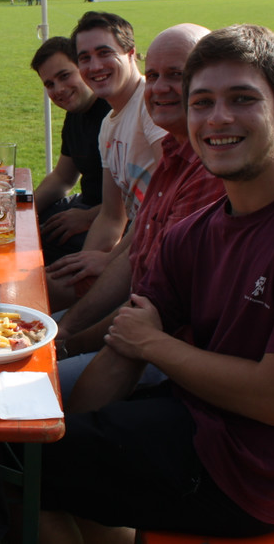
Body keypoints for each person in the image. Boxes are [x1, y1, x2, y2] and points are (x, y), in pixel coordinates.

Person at [40, 23, 274, 542]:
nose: (217, 118)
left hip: (252, 476)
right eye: (202, 103)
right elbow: (123, 348)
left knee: (9, 470)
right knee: (23, 452)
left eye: (242, 99)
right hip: (191, 420)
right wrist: (64, 425)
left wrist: (152, 344)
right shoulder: (193, 232)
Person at [53, 23, 225, 400]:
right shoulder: (170, 156)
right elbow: (130, 235)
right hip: (136, 316)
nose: (159, 87)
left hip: (171, 353)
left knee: (23, 373)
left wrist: (66, 342)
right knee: (33, 310)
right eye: (155, 75)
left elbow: (153, 299)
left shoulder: (201, 163)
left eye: (177, 75)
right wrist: (66, 328)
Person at [46, 11, 166, 310]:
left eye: (104, 53)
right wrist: (83, 266)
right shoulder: (108, 127)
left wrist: (111, 260)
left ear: (131, 53)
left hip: (159, 263)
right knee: (33, 288)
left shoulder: (151, 105)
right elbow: (113, 216)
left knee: (31, 295)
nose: (95, 66)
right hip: (133, 250)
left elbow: (166, 204)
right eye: (85, 58)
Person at [30, 37, 111, 265]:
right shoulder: (75, 115)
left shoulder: (112, 114)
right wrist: (22, 210)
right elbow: (62, 178)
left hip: (113, 221)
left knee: (38, 244)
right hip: (86, 204)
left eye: (65, 76)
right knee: (25, 229)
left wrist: (88, 217)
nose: (59, 89)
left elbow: (139, 199)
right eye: (49, 84)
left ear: (84, 68)